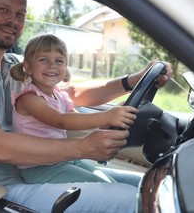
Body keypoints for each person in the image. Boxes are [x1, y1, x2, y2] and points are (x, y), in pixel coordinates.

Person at [0, 0, 172, 212]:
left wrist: (131, 80)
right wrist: (83, 148)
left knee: (154, 186)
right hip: (3, 188)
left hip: (47, 167)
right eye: (3, 10)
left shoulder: (16, 64)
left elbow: (70, 94)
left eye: (20, 15)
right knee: (136, 201)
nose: (12, 21)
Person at [10, 33, 138, 184]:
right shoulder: (29, 98)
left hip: (62, 159)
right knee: (102, 185)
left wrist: (111, 117)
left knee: (109, 182)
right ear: (28, 67)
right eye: (43, 60)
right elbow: (61, 120)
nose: (52, 65)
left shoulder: (59, 95)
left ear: (65, 66)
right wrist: (107, 115)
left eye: (59, 61)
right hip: (39, 167)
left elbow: (78, 121)